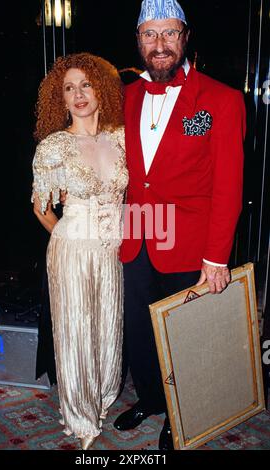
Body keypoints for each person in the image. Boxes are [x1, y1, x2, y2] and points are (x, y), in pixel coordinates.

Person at [114, 0, 246, 450]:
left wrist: (216, 257)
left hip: (190, 242)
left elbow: (228, 185)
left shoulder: (221, 99)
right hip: (136, 235)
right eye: (150, 35)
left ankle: (181, 414)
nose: (159, 44)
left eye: (169, 33)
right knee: (140, 331)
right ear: (138, 41)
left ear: (185, 36)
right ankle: (151, 399)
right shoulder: (126, 96)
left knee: (185, 337)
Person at [31, 52, 128, 450]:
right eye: (69, 88)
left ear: (101, 87)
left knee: (108, 326)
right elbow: (41, 208)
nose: (78, 94)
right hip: (72, 249)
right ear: (61, 98)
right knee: (76, 332)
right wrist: (69, 234)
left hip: (113, 250)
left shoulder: (121, 138)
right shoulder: (55, 146)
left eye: (85, 84)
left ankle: (103, 397)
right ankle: (80, 415)